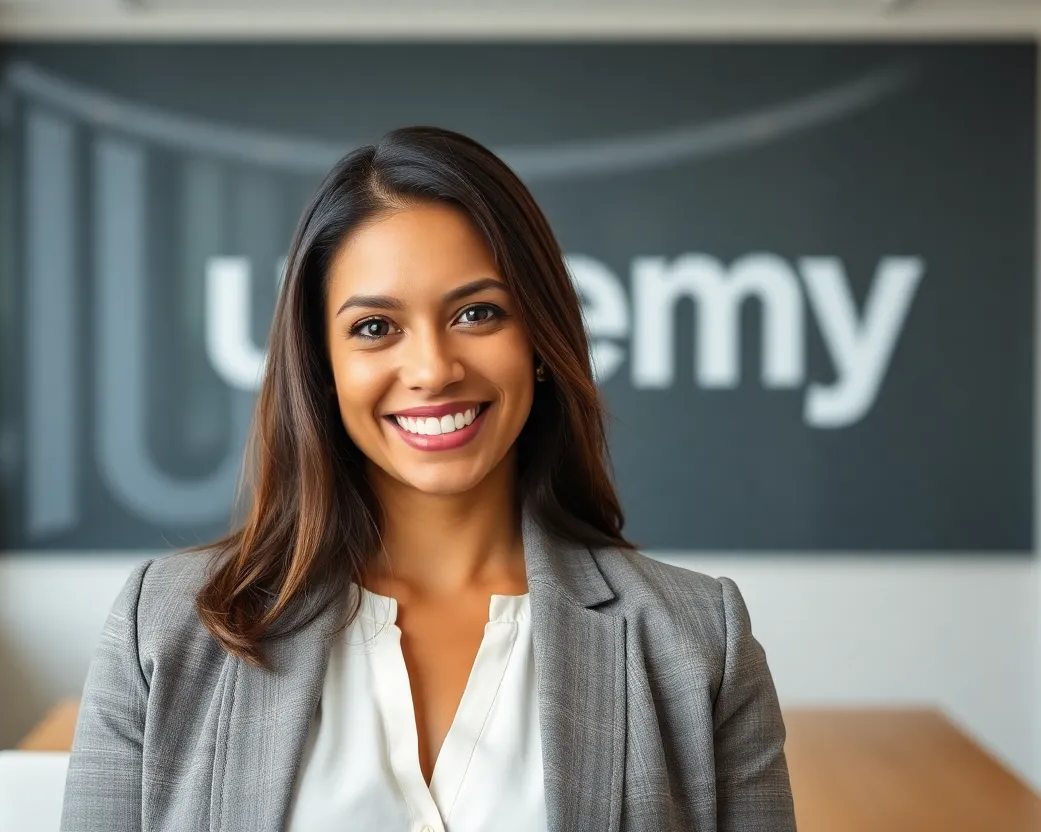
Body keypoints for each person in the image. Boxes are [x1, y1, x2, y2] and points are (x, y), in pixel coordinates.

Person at [60, 125, 796, 832]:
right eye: (376, 328)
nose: (434, 370)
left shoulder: (699, 642)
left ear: (540, 338)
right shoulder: (164, 627)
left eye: (477, 313)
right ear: (323, 366)